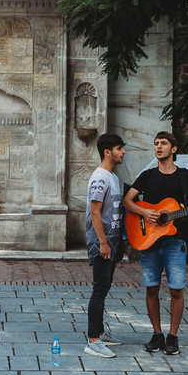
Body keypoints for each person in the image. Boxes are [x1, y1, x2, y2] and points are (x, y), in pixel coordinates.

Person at [122, 131, 188, 356]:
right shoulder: (147, 175)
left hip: (175, 241)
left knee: (176, 289)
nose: (158, 147)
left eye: (163, 143)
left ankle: (172, 336)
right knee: (151, 288)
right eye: (156, 144)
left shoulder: (185, 176)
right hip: (149, 240)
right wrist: (145, 212)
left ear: (174, 149)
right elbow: (127, 201)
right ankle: (156, 334)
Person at [83, 133, 127, 359]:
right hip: (102, 242)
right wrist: (102, 242)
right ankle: (93, 340)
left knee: (105, 286)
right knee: (99, 289)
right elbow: (95, 211)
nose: (123, 152)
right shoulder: (100, 177)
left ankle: (99, 332)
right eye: (119, 148)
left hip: (112, 240)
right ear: (107, 151)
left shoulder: (112, 177)